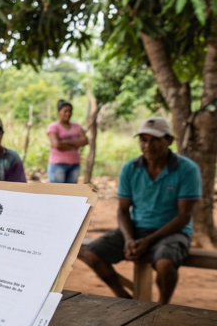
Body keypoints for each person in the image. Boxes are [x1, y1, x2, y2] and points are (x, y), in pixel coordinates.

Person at [78, 117, 201, 305]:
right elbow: (123, 211)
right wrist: (128, 239)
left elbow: (184, 216)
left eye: (154, 140)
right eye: (143, 139)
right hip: (137, 229)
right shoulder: (130, 168)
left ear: (169, 141)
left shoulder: (187, 169)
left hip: (174, 232)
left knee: (165, 264)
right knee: (92, 253)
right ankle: (124, 298)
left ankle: (162, 306)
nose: (148, 145)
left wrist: (148, 241)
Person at [46, 100, 89, 183]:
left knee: (71, 192)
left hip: (74, 164)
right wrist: (76, 144)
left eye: (70, 111)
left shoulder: (77, 126)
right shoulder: (53, 126)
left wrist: (65, 142)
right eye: (65, 111)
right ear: (59, 112)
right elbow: (56, 144)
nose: (68, 113)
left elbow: (85, 141)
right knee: (57, 192)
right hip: (58, 164)